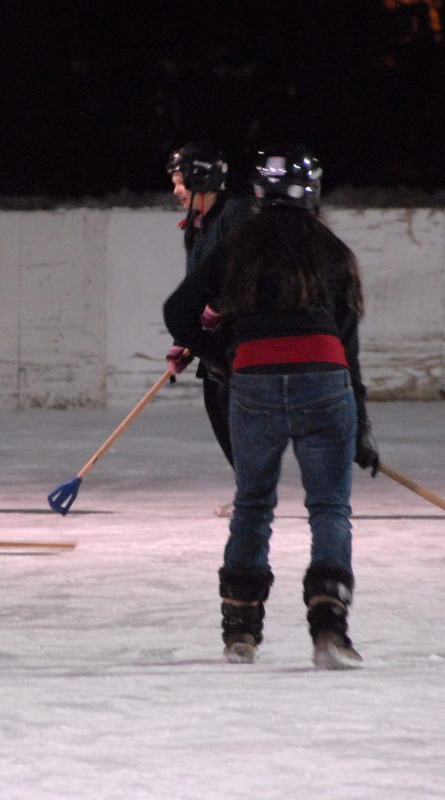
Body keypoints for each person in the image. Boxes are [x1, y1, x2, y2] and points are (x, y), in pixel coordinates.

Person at [163, 145, 380, 669]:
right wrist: (361, 428)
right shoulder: (333, 251)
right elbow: (347, 350)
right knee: (329, 508)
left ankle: (241, 633)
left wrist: (222, 355)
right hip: (324, 382)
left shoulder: (239, 246)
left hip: (254, 381)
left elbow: (179, 310)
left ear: (259, 193)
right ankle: (329, 631)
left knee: (253, 505)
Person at [164, 143, 254, 492]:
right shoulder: (198, 225)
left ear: (201, 179)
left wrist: (220, 306)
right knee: (216, 407)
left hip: (243, 333)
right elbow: (195, 285)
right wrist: (183, 341)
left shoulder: (237, 213)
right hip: (215, 340)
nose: (175, 191)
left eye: (179, 182)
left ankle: (254, 490)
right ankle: (248, 488)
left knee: (238, 411)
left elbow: (245, 269)